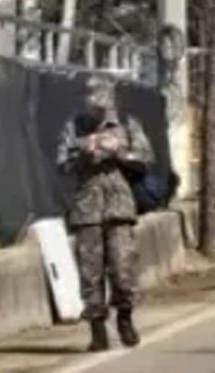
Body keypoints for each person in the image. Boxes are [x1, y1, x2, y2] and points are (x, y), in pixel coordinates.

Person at [56, 76, 155, 352]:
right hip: (87, 209)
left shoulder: (127, 124)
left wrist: (119, 151)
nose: (95, 104)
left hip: (119, 207)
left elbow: (146, 160)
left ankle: (124, 316)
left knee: (123, 268)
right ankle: (97, 328)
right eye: (90, 98)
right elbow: (62, 164)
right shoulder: (74, 126)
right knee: (90, 272)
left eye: (100, 98)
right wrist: (84, 151)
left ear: (111, 100)